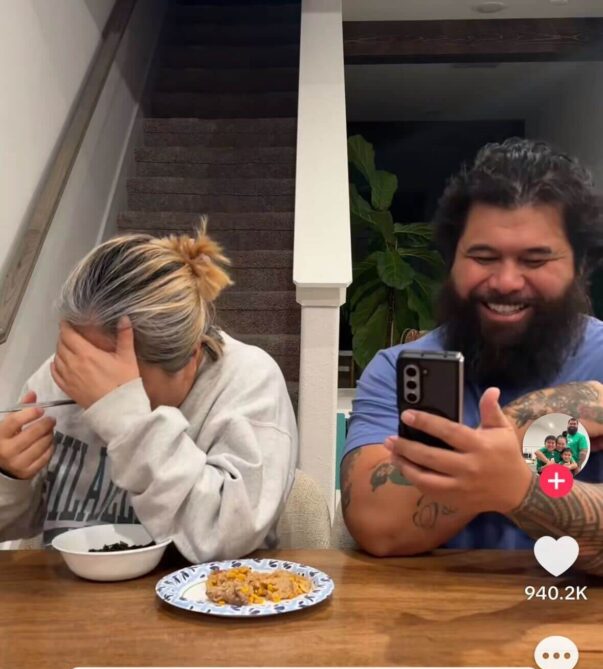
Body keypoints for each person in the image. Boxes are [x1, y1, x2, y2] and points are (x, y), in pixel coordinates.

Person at [341, 138, 603, 576]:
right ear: (453, 261)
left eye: (535, 260)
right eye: (483, 257)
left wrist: (515, 489)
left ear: (579, 267)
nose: (505, 281)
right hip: (426, 625)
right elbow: (377, 525)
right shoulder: (395, 369)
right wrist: (531, 423)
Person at [0, 224, 298, 561]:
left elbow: (225, 537)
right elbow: (13, 523)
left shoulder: (247, 381)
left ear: (192, 357)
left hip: (209, 603)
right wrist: (8, 473)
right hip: (70, 603)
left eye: (117, 378)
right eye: (80, 356)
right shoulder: (64, 374)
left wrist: (126, 418)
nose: (87, 386)